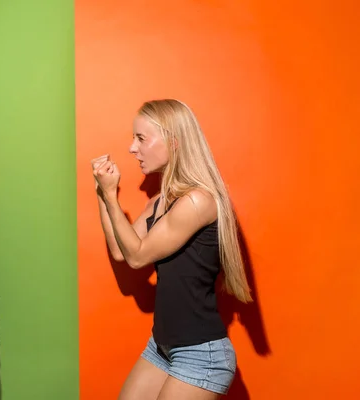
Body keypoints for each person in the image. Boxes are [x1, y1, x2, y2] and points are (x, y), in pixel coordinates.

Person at [92, 99, 252, 399]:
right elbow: (120, 251)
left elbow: (138, 256)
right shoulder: (158, 202)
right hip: (162, 347)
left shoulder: (197, 201)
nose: (132, 148)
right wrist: (103, 195)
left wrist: (113, 196)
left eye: (141, 138)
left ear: (173, 142)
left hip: (200, 355)